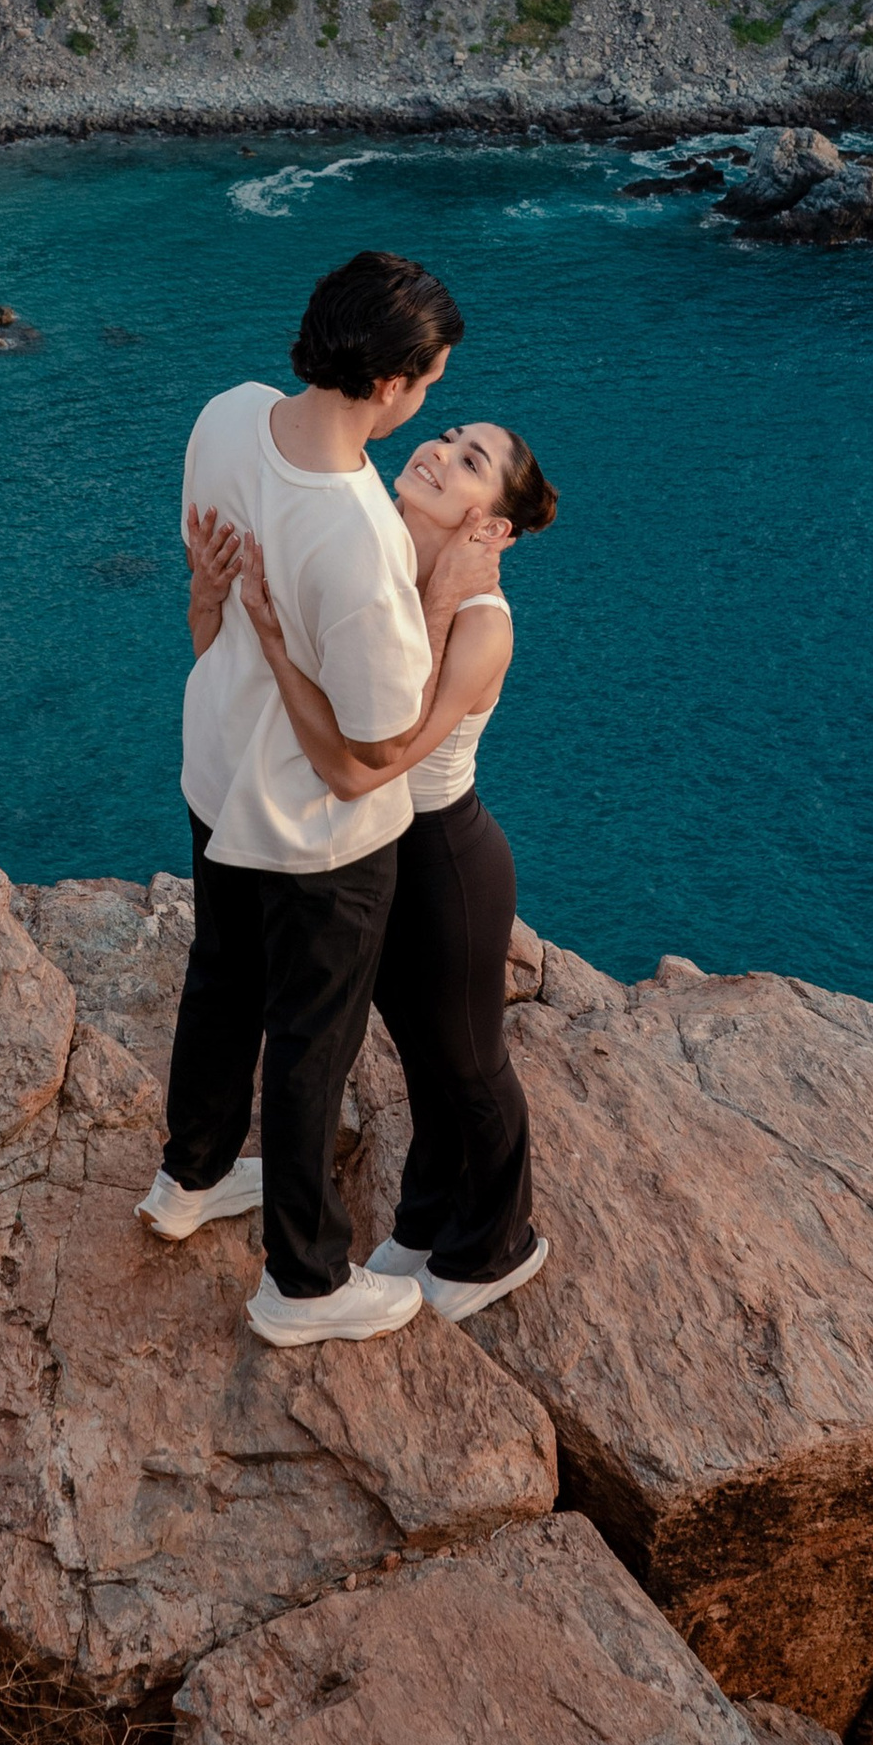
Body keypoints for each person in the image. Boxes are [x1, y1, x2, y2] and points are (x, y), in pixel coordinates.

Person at [142, 249, 491, 1346]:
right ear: (388, 384)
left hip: (215, 770)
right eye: (429, 385)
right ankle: (303, 1282)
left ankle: (189, 1179)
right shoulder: (360, 536)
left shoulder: (226, 413)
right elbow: (375, 741)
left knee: (220, 981)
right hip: (317, 836)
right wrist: (448, 607)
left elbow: (202, 569)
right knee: (310, 1042)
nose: (428, 406)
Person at [237, 418, 557, 1322]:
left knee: (469, 1061)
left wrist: (445, 598)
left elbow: (386, 751)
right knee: (421, 1054)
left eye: (470, 461)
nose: (439, 453)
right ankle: (424, 1218)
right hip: (377, 853)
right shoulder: (385, 565)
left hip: (447, 863)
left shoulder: (482, 625)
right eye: (447, 437)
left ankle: (499, 1243)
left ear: (494, 527)